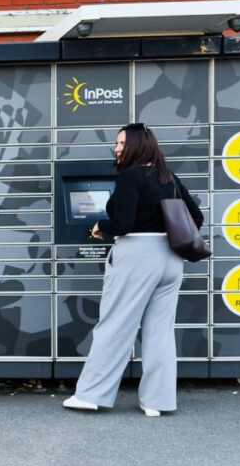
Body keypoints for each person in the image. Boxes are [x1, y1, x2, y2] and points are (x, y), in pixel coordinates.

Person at [63, 123, 203, 417]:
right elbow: (197, 217)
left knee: (115, 324)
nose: (116, 148)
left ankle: (91, 395)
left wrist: (101, 226)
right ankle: (157, 401)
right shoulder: (169, 177)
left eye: (122, 143)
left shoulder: (131, 177)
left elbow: (123, 223)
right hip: (171, 258)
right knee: (160, 332)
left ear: (138, 146)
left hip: (138, 255)